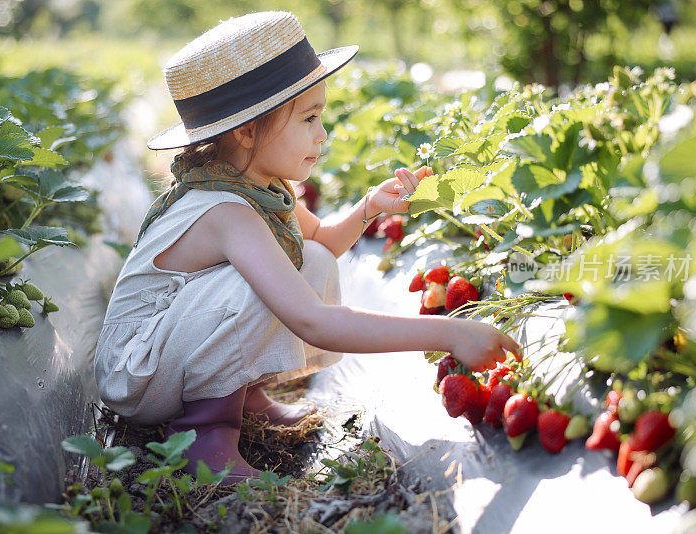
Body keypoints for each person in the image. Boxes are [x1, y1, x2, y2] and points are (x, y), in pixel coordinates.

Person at [94, 11, 522, 484]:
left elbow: (320, 244)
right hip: (138, 374)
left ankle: (241, 399)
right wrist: (449, 333)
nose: (323, 134)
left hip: (170, 355)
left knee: (308, 257)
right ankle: (205, 433)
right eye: (310, 118)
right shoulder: (225, 212)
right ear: (246, 131)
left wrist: (369, 207)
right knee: (255, 285)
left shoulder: (255, 186)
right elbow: (311, 321)